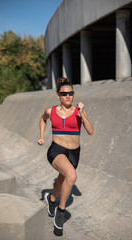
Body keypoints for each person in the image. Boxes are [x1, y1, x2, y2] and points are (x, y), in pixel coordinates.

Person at [38, 77, 93, 236]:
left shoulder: (78, 111)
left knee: (63, 180)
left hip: (74, 153)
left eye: (71, 93)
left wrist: (82, 113)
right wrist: (41, 136)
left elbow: (90, 131)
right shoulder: (51, 111)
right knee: (71, 175)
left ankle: (51, 199)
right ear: (58, 95)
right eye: (64, 94)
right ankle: (60, 213)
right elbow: (42, 120)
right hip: (56, 150)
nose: (68, 96)